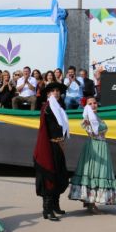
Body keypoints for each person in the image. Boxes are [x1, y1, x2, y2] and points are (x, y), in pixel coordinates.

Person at [68, 98, 116, 213]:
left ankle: (90, 201)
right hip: (94, 147)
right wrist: (87, 123)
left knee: (98, 171)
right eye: (90, 104)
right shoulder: (88, 118)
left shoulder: (97, 117)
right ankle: (91, 203)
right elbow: (92, 133)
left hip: (102, 146)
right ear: (86, 106)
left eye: (95, 103)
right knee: (94, 171)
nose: (93, 105)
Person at [33, 82, 69, 220]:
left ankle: (55, 205)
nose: (56, 92)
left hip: (58, 145)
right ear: (48, 94)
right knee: (50, 177)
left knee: (60, 175)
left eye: (58, 91)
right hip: (49, 147)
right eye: (53, 91)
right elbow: (45, 130)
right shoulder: (47, 107)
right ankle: (47, 210)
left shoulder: (59, 108)